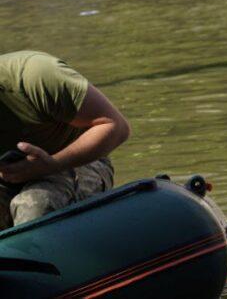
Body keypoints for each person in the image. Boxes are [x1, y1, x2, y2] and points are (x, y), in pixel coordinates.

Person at [0, 50, 130, 229]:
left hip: (78, 162)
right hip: (9, 175)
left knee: (34, 205)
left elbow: (116, 126)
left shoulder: (36, 75)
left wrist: (52, 164)